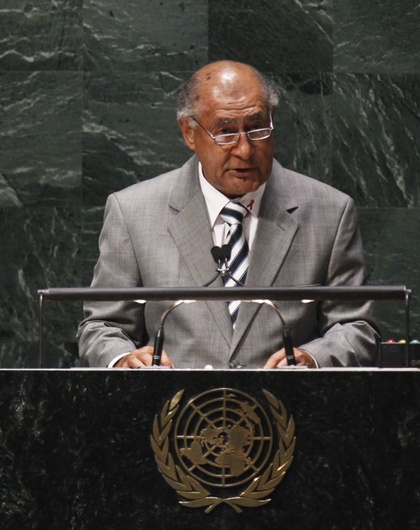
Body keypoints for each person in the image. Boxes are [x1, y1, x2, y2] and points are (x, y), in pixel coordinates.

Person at [77, 60, 379, 369]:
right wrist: (123, 360)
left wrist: (314, 359)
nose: (245, 150)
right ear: (189, 133)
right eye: (225, 132)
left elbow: (355, 328)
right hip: (176, 412)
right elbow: (102, 326)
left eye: (256, 128)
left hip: (287, 409)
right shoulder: (133, 212)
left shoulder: (330, 212)